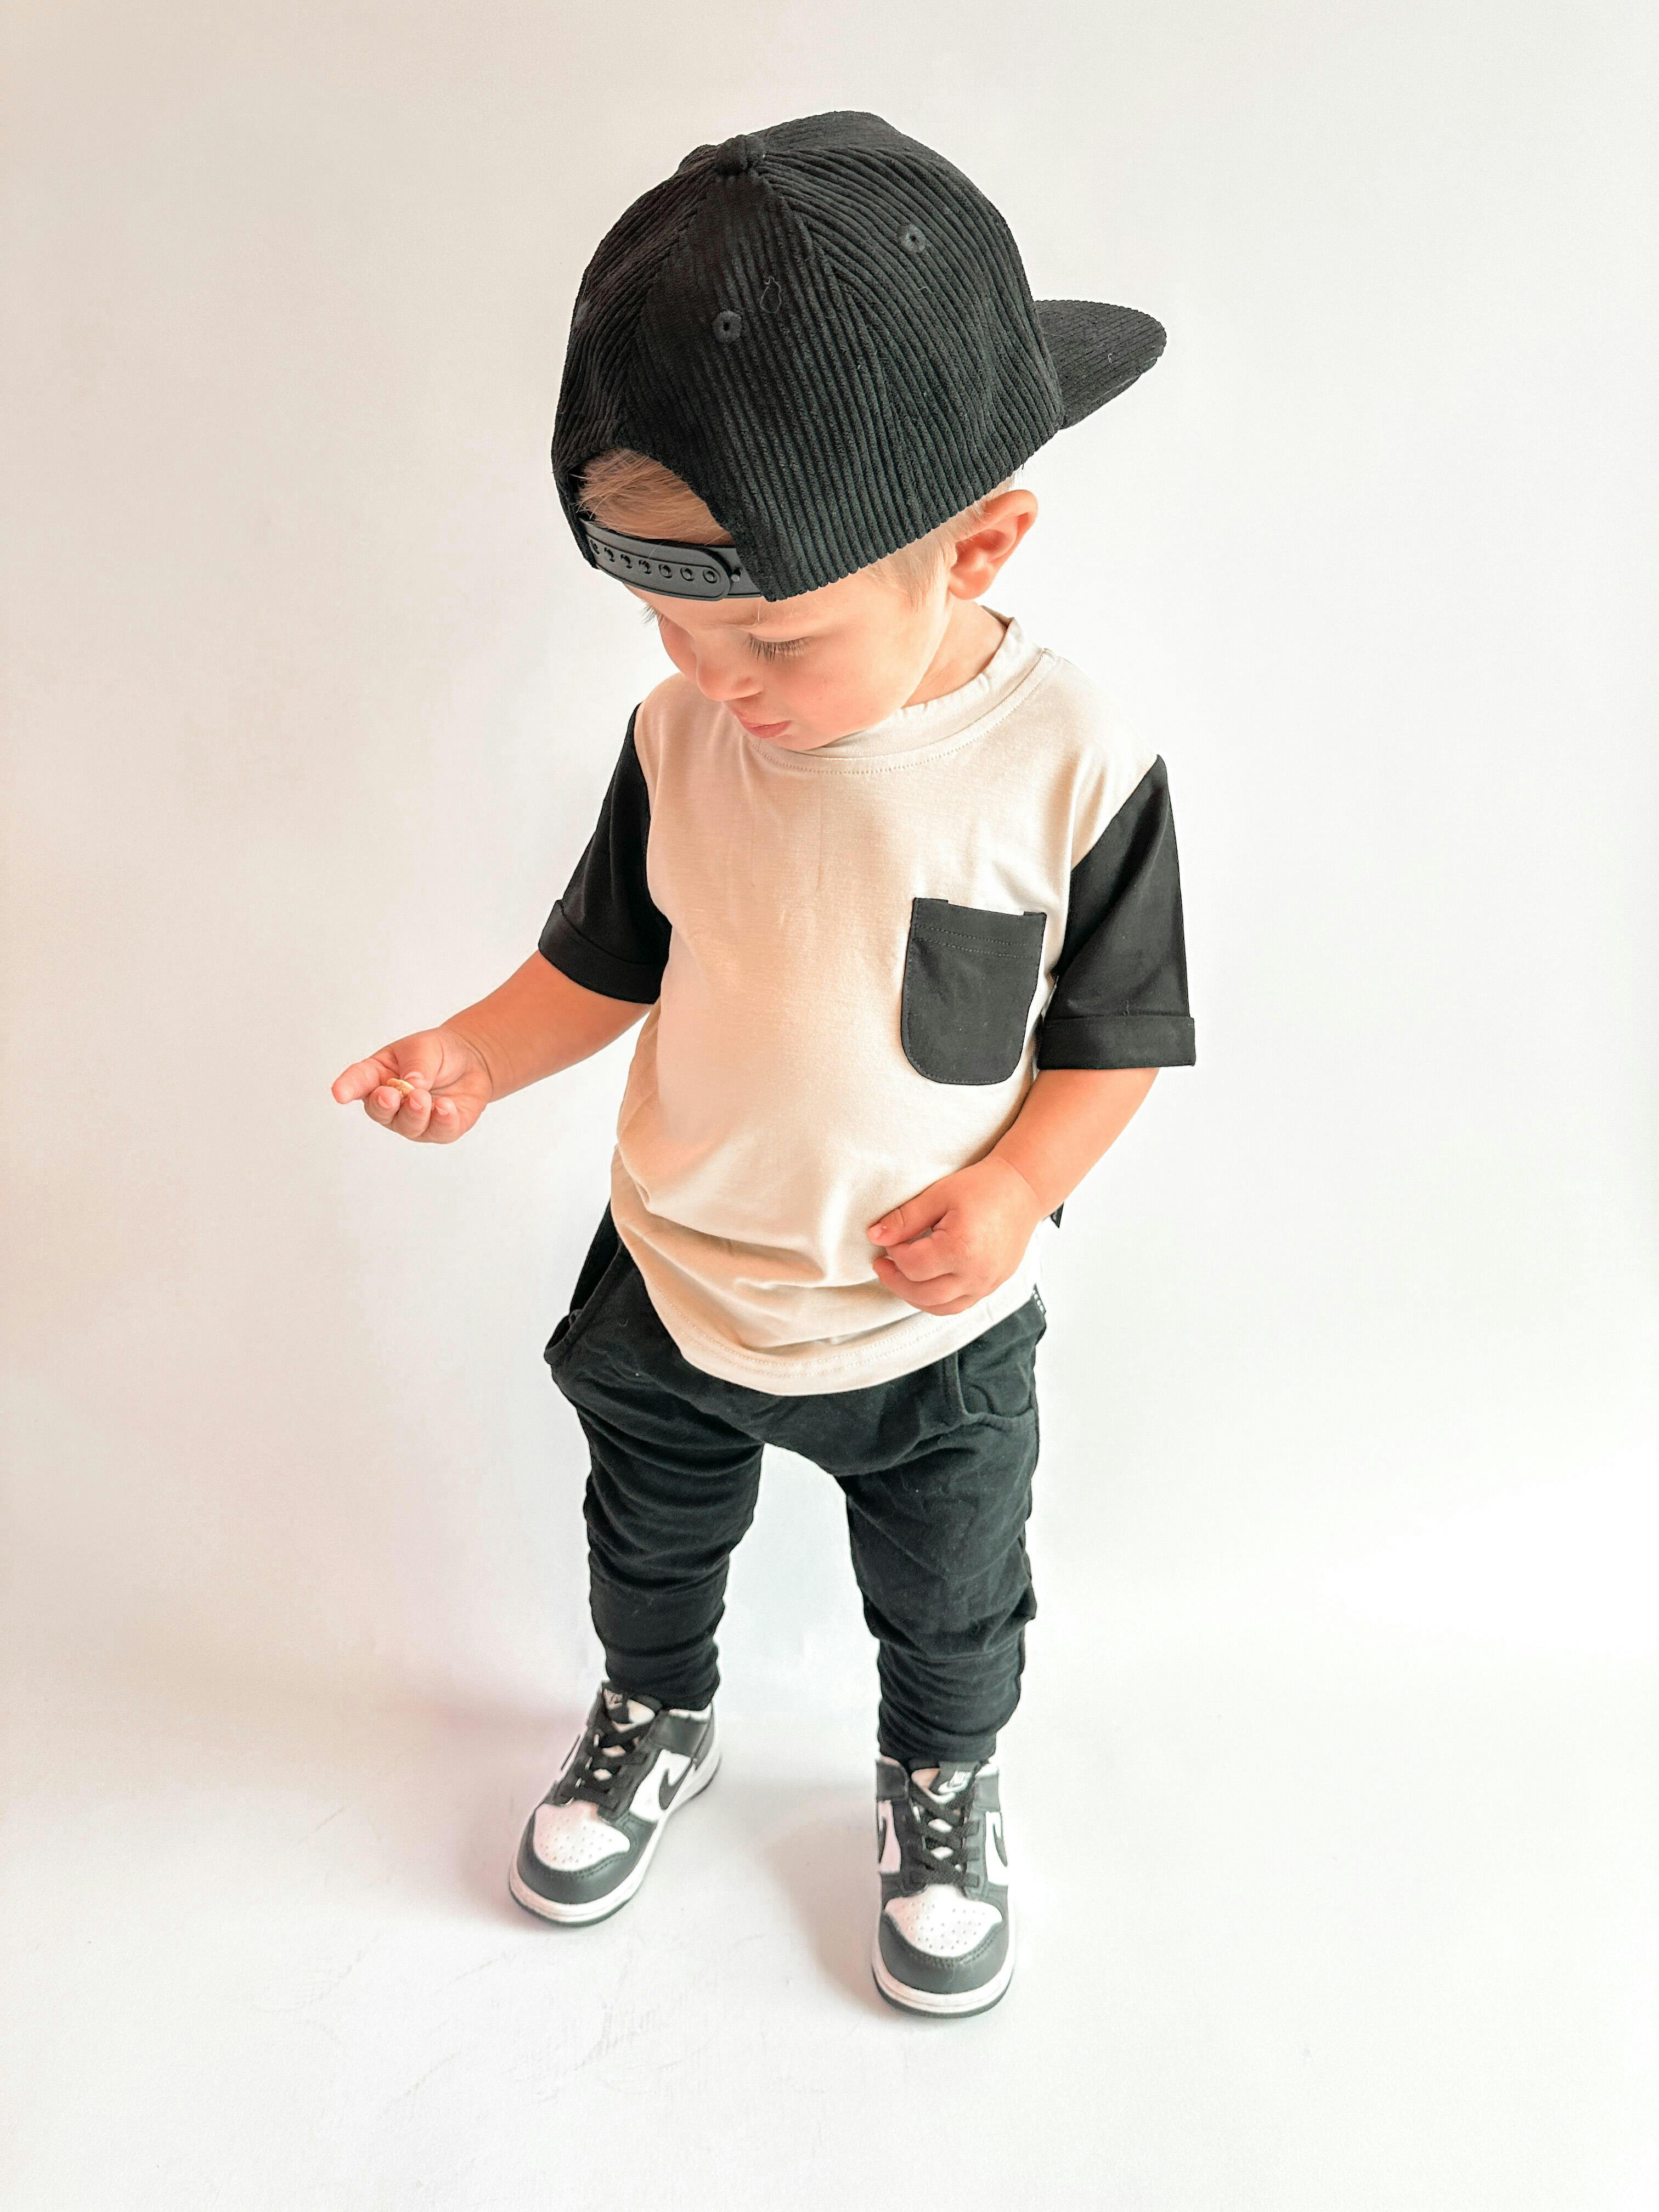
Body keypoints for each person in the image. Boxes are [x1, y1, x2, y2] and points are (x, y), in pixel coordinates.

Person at [331, 110, 1194, 2017]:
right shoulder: (682, 738)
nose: (716, 677)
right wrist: (474, 1054)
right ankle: (657, 1709)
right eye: (666, 621)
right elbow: (605, 961)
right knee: (646, 1545)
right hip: (680, 1271)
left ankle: (941, 1776)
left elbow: (1116, 1032)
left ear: (979, 546)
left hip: (926, 1324)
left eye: (776, 638)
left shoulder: (1073, 763)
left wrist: (1021, 1185)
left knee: (951, 1593)